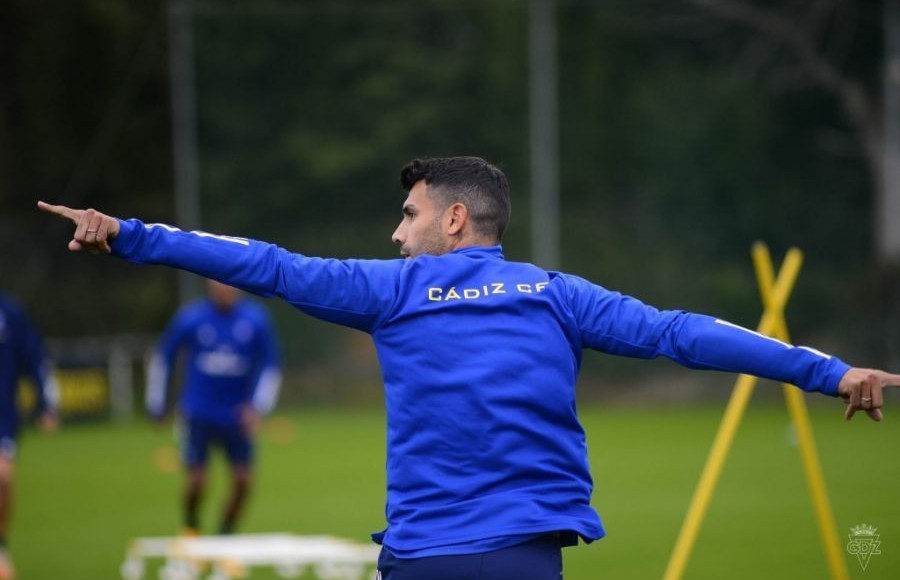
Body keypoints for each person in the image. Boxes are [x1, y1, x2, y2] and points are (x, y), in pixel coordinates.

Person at [38, 156, 900, 580]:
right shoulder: (558, 294)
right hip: (525, 558)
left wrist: (130, 233)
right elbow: (687, 333)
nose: (395, 231)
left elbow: (262, 261)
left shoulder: (389, 288)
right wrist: (829, 373)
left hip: (422, 559)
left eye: (408, 214)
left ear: (454, 219)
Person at [146, 278, 282, 536]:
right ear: (209, 285)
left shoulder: (256, 319)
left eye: (231, 282)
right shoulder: (192, 318)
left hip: (237, 414)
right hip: (198, 411)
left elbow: (271, 365)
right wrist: (157, 404)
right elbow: (164, 358)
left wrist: (257, 407)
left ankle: (225, 535)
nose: (226, 288)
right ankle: (191, 525)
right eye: (219, 283)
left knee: (243, 482)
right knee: (198, 481)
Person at [0, 292, 60, 580]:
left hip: (3, 417)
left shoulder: (10, 314)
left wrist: (45, 404)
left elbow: (35, 357)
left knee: (3, 479)